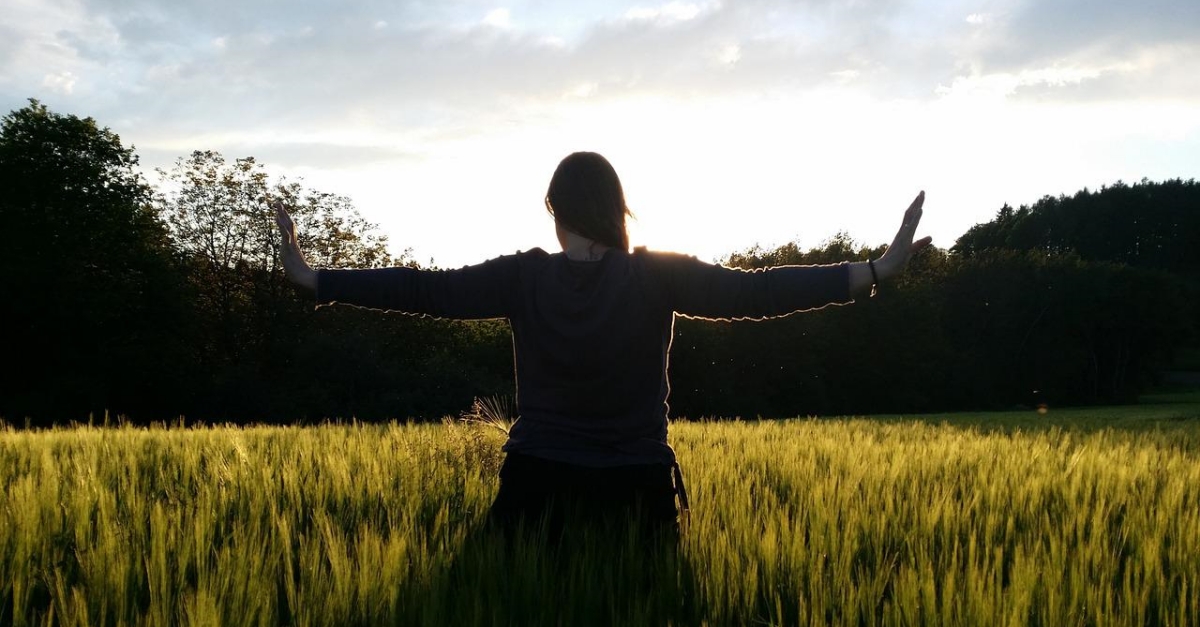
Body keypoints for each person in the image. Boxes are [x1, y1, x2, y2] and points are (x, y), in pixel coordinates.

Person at [273, 151, 930, 540]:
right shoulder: (655, 274)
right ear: (618, 208)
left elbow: (423, 291)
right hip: (635, 491)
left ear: (556, 210)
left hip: (537, 488)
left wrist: (316, 278)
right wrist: (871, 272)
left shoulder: (523, 277)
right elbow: (752, 293)